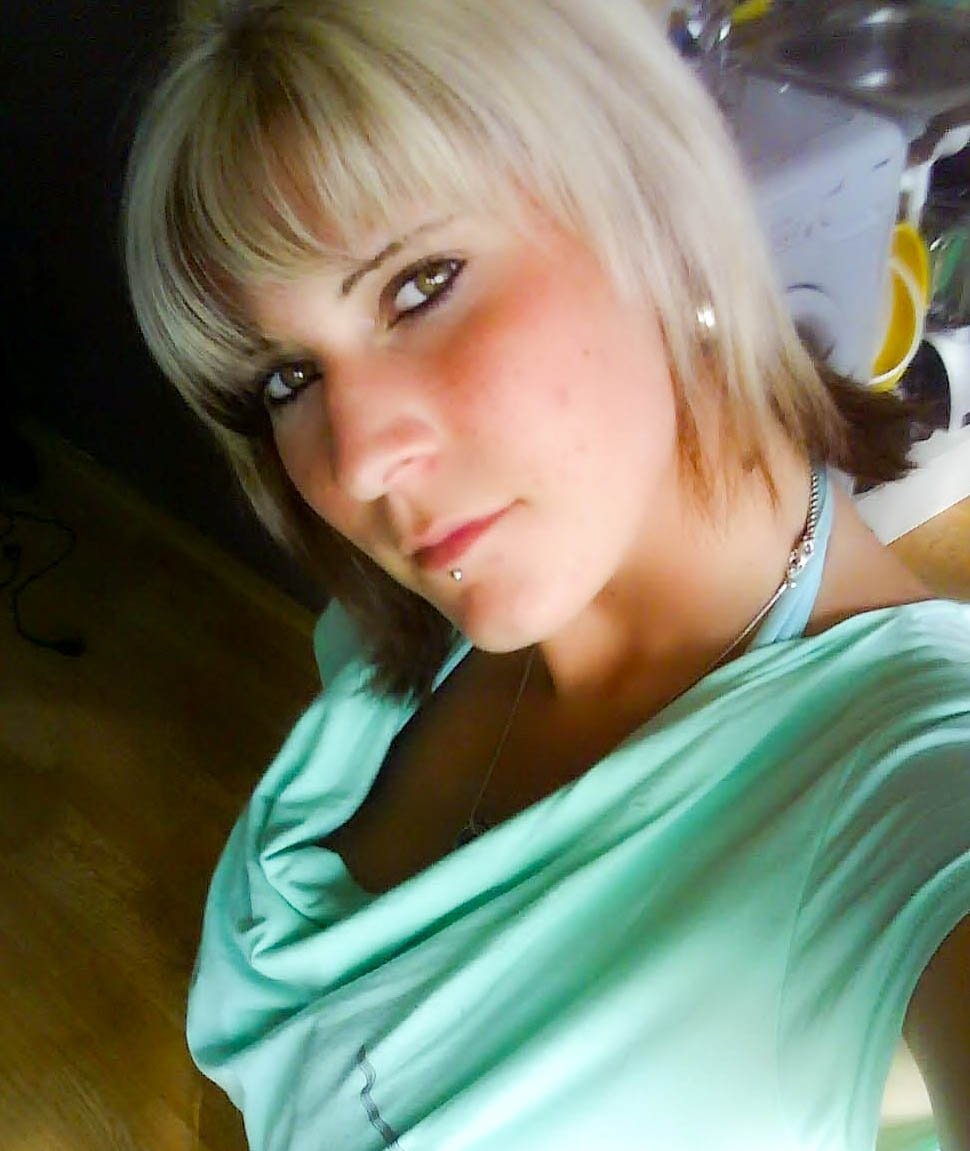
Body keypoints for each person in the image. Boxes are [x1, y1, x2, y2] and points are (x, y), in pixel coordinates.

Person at [122, 2, 970, 1148]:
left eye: (420, 284)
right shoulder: (427, 612)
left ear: (654, 211)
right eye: (286, 376)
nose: (356, 456)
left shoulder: (907, 768)